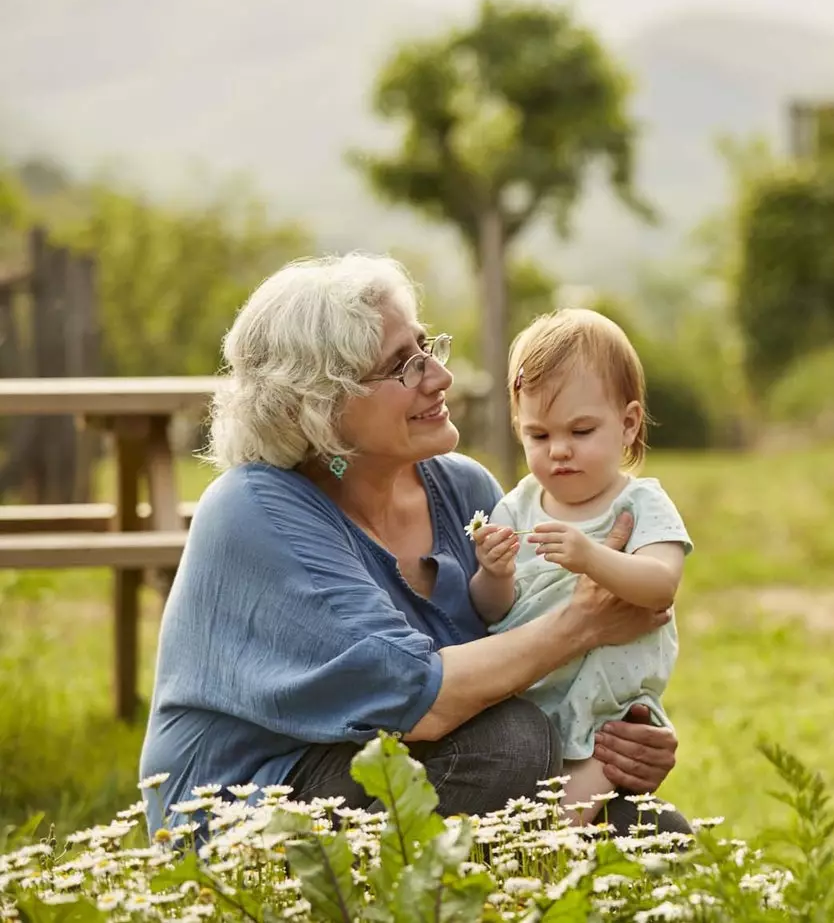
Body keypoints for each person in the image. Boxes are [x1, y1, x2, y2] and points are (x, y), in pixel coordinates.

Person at [139, 254, 692, 838]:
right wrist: (585, 623)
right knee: (512, 744)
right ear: (322, 406)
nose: (440, 377)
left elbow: (521, 652)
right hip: (253, 809)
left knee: (657, 833)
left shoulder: (464, 490)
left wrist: (624, 730)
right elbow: (420, 703)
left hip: (422, 771)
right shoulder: (254, 510)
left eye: (427, 348)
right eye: (403, 366)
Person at [470, 308, 690, 826]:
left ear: (628, 424)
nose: (560, 451)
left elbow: (660, 586)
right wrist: (495, 574)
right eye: (539, 436)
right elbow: (489, 610)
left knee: (557, 824)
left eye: (581, 430)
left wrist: (593, 556)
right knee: (520, 806)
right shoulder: (516, 505)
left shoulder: (640, 505)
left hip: (607, 710)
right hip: (532, 694)